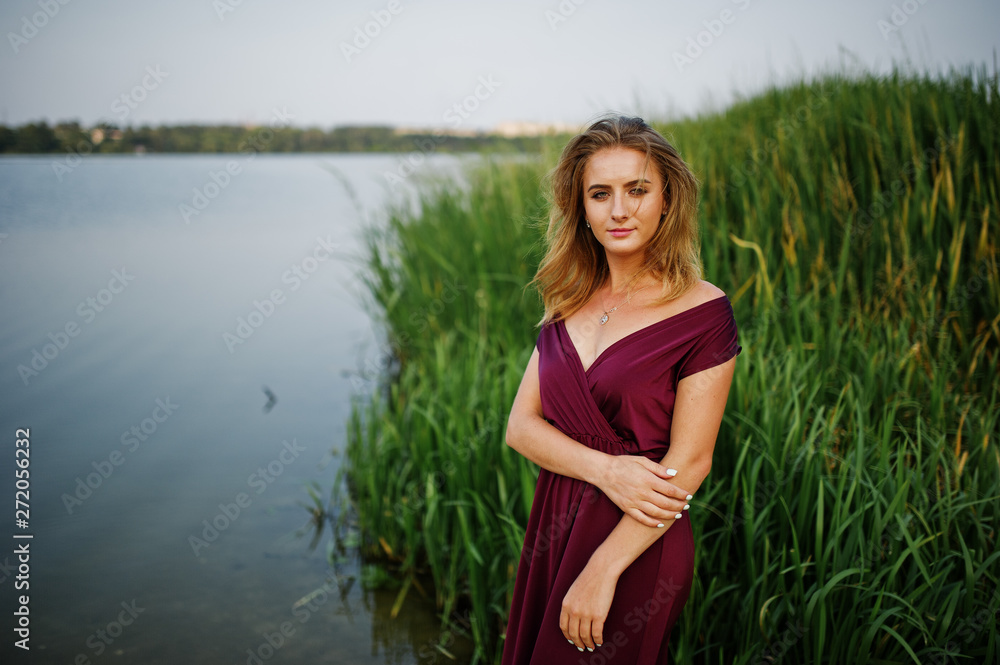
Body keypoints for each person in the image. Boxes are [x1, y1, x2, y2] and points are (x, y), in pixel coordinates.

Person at [501, 115, 741, 664]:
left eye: (637, 189)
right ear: (581, 209)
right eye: (600, 193)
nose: (619, 209)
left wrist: (603, 569)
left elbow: (692, 462)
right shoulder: (565, 300)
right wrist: (604, 469)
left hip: (637, 543)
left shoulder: (703, 311)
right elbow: (520, 427)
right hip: (555, 524)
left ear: (667, 199)